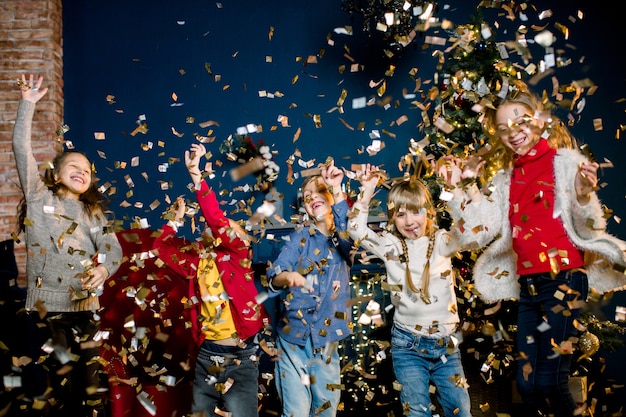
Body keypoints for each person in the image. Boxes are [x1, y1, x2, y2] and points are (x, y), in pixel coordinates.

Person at [441, 80, 626, 417]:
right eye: (503, 128)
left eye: (520, 122)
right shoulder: (504, 178)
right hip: (529, 288)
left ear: (538, 120)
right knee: (526, 385)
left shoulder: (565, 163)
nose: (513, 132)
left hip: (565, 282)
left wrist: (584, 195)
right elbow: (481, 230)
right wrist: (463, 187)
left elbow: (589, 225)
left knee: (550, 382)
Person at [13, 73, 122, 416]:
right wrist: (27, 104)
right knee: (52, 391)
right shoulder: (37, 193)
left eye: (87, 170)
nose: (82, 171)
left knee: (88, 391)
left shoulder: (93, 212)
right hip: (46, 312)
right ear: (57, 173)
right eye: (73, 166)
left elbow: (112, 248)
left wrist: (104, 267)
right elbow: (21, 148)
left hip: (85, 311)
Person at [153, 143, 269, 417]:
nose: (221, 226)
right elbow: (161, 249)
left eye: (231, 227)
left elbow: (215, 218)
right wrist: (174, 222)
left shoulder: (239, 255)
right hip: (208, 355)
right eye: (219, 225)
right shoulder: (196, 264)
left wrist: (196, 175)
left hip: (242, 357)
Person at [348, 165, 473, 417]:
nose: (409, 221)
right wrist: (368, 189)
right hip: (408, 345)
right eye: (401, 214)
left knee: (461, 410)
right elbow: (355, 230)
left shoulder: (441, 241)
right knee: (416, 411)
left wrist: (455, 188)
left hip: (445, 344)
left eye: (416, 212)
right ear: (392, 217)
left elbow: (471, 233)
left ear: (427, 211)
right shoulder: (389, 244)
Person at [266, 160, 353, 417]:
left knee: (326, 412)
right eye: (306, 197)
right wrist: (287, 277)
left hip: (327, 344)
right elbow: (276, 273)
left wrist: (336, 188)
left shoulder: (346, 239)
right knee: (296, 412)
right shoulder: (299, 237)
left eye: (319, 191)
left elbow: (346, 226)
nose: (312, 197)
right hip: (292, 341)